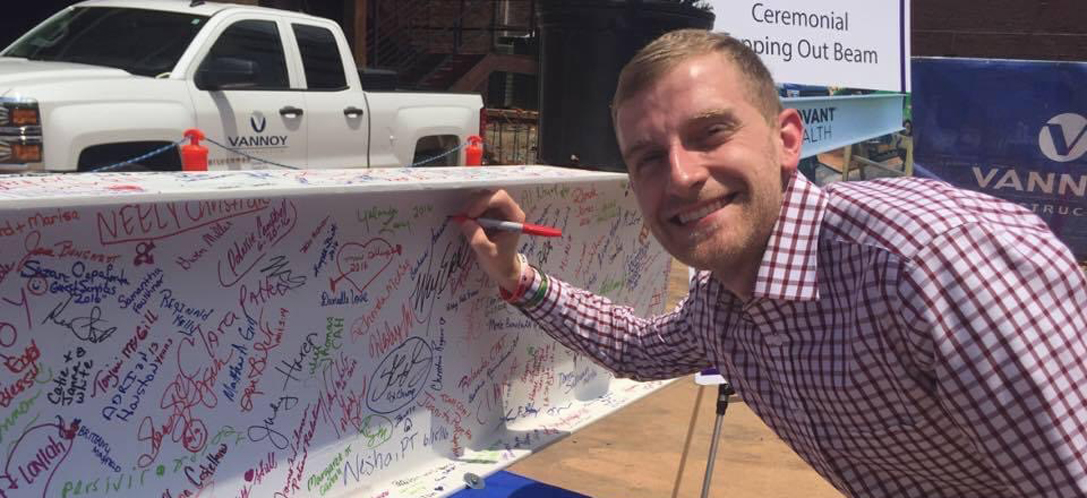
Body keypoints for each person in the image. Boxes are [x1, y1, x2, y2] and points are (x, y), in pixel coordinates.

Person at [458, 29, 1087, 497]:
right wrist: (516, 278)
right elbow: (639, 349)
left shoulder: (933, 264)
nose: (680, 176)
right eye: (647, 158)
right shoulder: (724, 302)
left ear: (788, 141)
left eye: (710, 135)